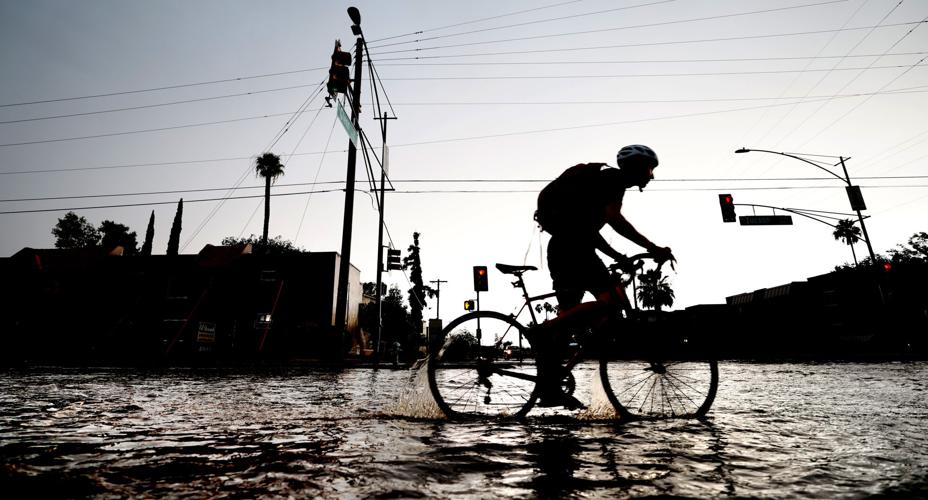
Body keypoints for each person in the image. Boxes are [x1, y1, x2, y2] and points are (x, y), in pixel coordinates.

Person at [530, 144, 674, 408]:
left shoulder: (602, 184)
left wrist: (619, 257)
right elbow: (614, 220)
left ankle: (549, 389)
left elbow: (588, 232)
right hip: (572, 249)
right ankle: (543, 331)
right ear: (637, 168)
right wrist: (651, 248)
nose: (651, 176)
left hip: (569, 246)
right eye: (650, 169)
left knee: (568, 320)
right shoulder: (613, 181)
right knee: (609, 302)